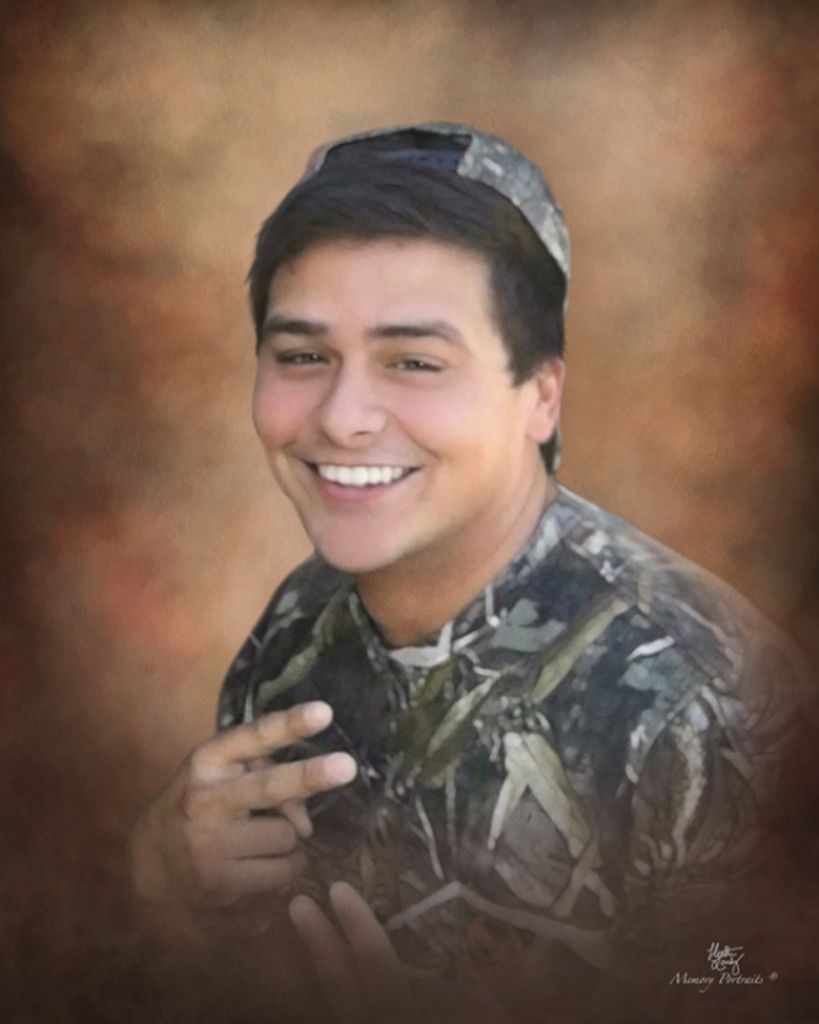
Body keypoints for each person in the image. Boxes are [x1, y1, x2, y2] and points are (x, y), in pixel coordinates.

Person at [128, 123, 817, 1023]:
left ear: (540, 396)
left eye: (414, 362)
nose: (342, 417)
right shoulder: (298, 627)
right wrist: (163, 886)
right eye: (302, 357)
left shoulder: (704, 706)